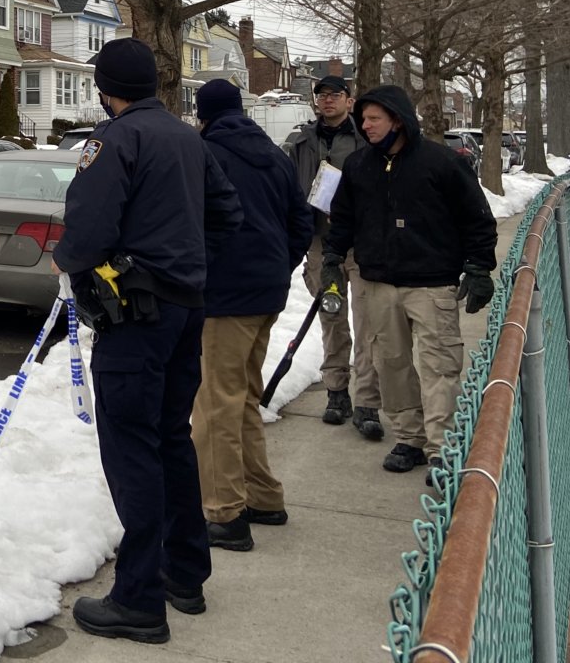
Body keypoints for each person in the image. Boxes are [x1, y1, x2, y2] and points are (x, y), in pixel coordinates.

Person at [52, 38, 243, 644]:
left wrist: (82, 263)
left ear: (106, 89)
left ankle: (137, 600)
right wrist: (183, 263)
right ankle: (183, 574)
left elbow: (87, 229)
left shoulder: (114, 140)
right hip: (185, 310)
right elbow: (227, 214)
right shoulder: (189, 138)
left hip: (137, 319)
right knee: (171, 439)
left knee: (132, 449)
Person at [321, 85, 497, 474]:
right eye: (363, 119)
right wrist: (332, 258)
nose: (366, 125)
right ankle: (409, 438)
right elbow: (344, 219)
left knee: (439, 367)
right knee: (391, 365)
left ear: (397, 121)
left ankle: (442, 449)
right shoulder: (359, 166)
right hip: (379, 283)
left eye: (374, 119)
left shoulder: (441, 163)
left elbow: (477, 218)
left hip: (431, 284)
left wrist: (479, 267)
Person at [192, 79, 311, 552]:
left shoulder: (207, 154)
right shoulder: (276, 156)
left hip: (225, 298)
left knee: (215, 404)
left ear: (204, 115)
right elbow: (301, 222)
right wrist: (278, 268)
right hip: (266, 294)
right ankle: (263, 497)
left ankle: (224, 513)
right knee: (242, 397)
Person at [284, 75, 382, 439]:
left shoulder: (365, 139)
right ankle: (337, 393)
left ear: (349, 100)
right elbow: (291, 189)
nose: (328, 100)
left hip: (359, 243)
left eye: (335, 95)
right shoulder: (301, 142)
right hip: (319, 243)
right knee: (332, 318)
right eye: (322, 95)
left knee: (368, 322)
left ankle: (368, 401)